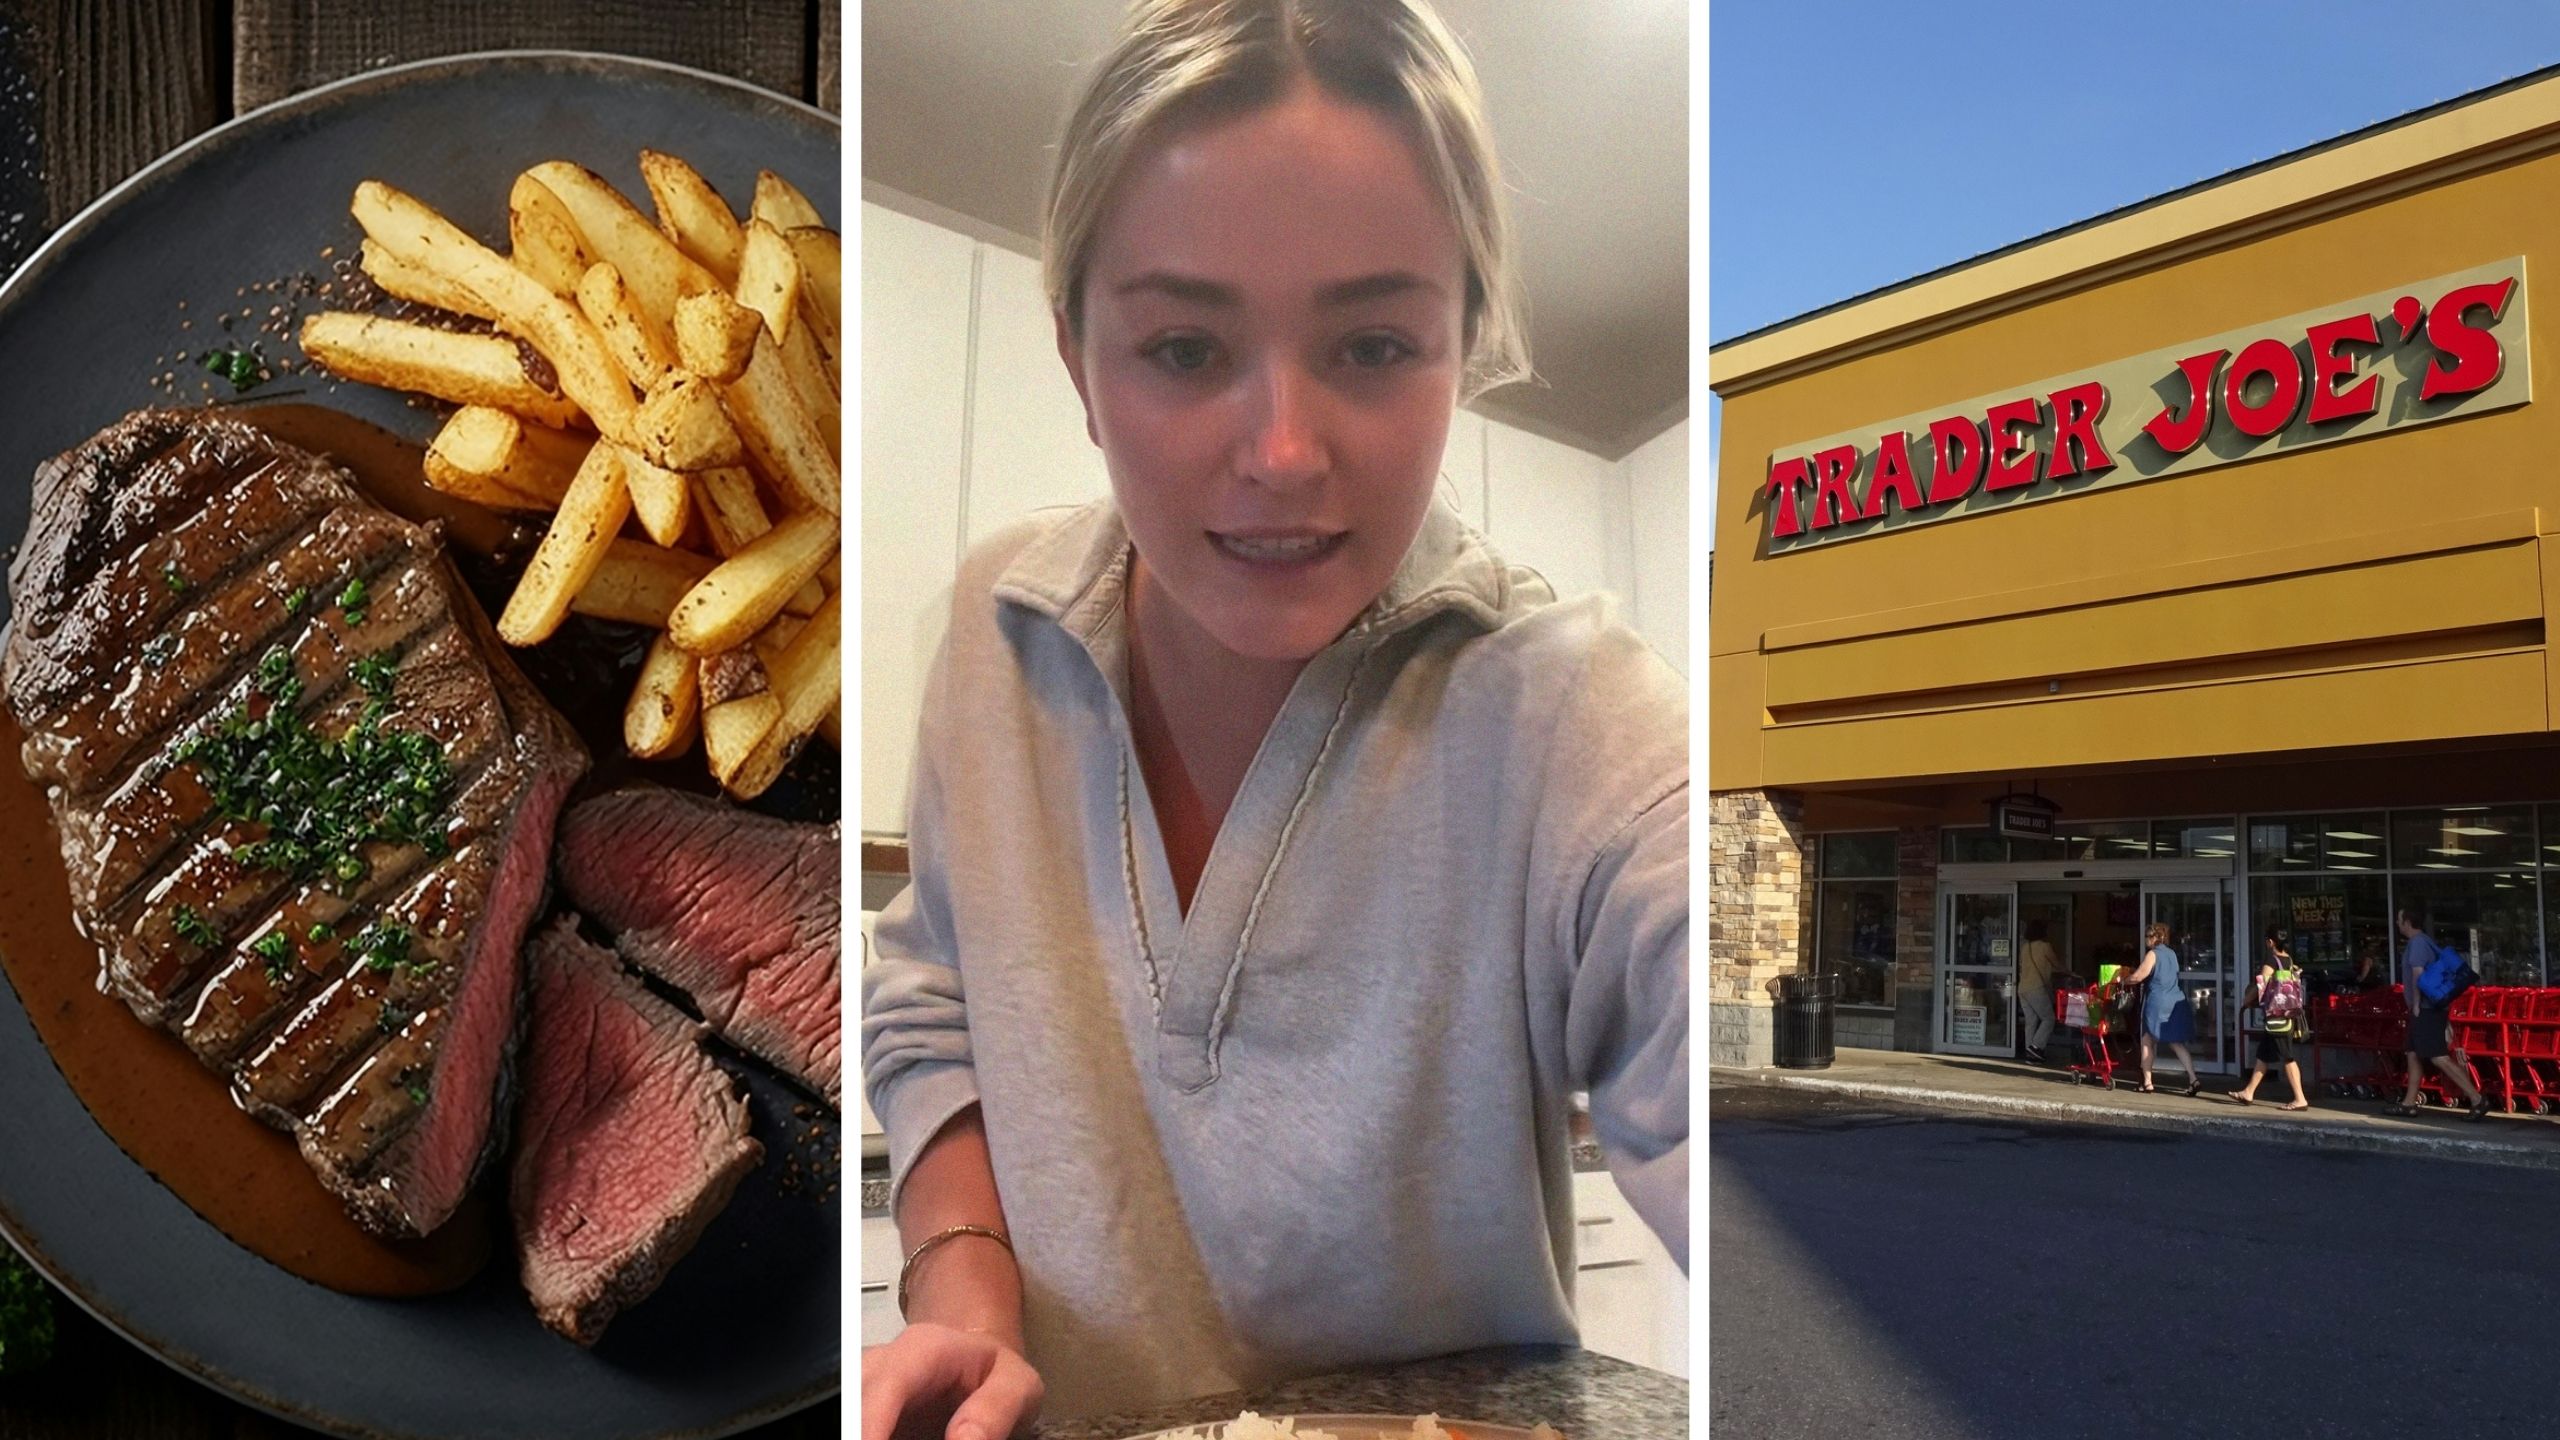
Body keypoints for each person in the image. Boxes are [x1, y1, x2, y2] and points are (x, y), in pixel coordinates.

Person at [859, 1, 1688, 1430]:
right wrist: (965, 1284)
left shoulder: (1572, 722)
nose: (1285, 453)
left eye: (1372, 347)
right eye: (1184, 349)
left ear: (1463, 346)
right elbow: (930, 995)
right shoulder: (1000, 628)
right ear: (1078, 358)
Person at [2392, 906, 2489, 1120]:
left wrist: (2416, 1004)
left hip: (2426, 1009)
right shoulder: (2425, 941)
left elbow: (2418, 975)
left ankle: (2477, 1099)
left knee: (2438, 1057)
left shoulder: (2417, 944)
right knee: (2412, 1051)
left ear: (2407, 922)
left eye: (2399, 919)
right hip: (2429, 1008)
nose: (2397, 923)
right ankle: (2409, 1103)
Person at [2233, 926, 2310, 1111]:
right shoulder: (2288, 959)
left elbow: (2263, 981)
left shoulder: (2272, 958)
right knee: (2263, 1054)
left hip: (2277, 1016)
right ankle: (2248, 1092)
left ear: (2270, 942)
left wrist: (2247, 1000)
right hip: (2287, 1013)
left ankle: (2300, 1098)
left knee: (2288, 1057)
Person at [2120, 921, 2201, 1096]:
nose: (2146, 940)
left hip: (2157, 1002)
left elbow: (2139, 976)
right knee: (2176, 1042)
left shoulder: (2153, 954)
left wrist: (2123, 981)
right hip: (2175, 1000)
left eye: (2148, 936)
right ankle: (2193, 1078)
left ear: (2157, 938)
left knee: (2147, 1041)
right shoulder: (2172, 954)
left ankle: (2147, 1083)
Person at [2017, 919, 2059, 1063]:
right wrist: (2070, 972)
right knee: (2049, 1018)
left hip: (2022, 988)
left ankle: (2031, 1057)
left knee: (2031, 1021)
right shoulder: (2045, 947)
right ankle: (2035, 1048)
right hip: (2036, 988)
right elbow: (2056, 964)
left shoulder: (2024, 947)